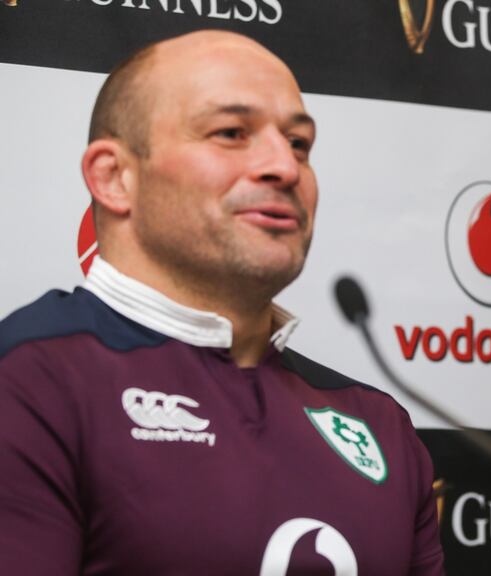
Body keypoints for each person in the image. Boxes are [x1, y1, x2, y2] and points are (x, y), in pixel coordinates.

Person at [0, 30, 444, 575]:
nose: (285, 167)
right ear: (114, 178)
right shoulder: (30, 381)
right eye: (231, 133)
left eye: (299, 144)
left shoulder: (376, 423)